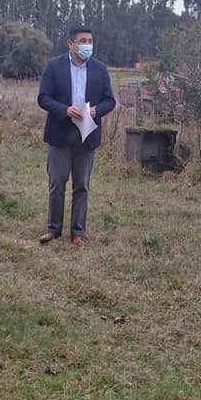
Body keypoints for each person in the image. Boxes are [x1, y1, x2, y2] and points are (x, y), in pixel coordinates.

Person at [37, 25, 116, 246]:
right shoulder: (54, 67)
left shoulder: (100, 69)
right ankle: (53, 229)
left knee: (82, 185)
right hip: (60, 133)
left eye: (90, 41)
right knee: (56, 184)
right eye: (82, 41)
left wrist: (95, 111)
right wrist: (64, 109)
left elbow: (110, 100)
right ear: (71, 44)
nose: (87, 45)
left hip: (87, 134)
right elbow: (43, 98)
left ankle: (78, 232)